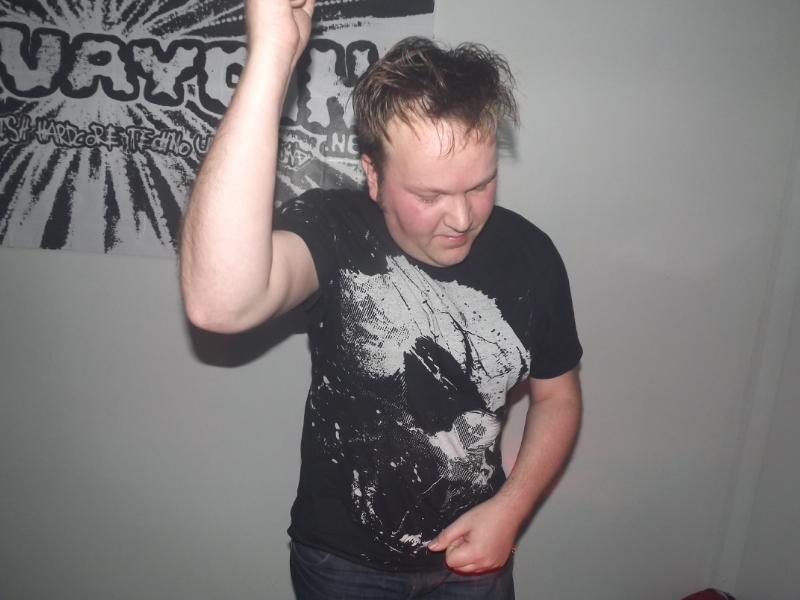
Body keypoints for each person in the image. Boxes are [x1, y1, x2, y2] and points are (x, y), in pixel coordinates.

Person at [180, 0, 583, 598]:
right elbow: (220, 304)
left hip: (476, 560)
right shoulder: (333, 228)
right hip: (343, 566)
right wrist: (272, 54)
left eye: (480, 185)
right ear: (374, 176)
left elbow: (558, 396)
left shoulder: (532, 254)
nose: (462, 218)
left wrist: (512, 508)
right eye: (430, 195)